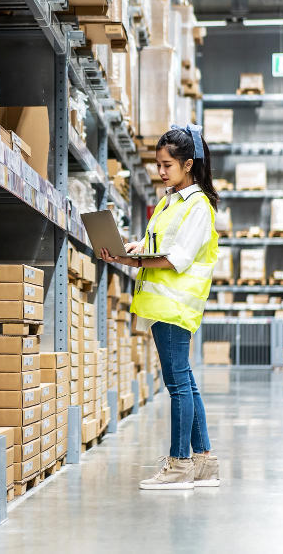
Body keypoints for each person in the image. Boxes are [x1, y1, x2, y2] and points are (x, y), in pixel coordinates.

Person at [99, 124, 221, 491]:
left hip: (174, 307)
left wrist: (131, 262)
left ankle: (179, 465)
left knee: (178, 385)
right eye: (158, 164)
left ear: (188, 165)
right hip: (162, 305)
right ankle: (204, 462)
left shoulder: (197, 205)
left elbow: (177, 258)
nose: (161, 171)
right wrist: (134, 247)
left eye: (168, 165)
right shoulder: (171, 201)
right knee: (186, 383)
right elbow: (161, 243)